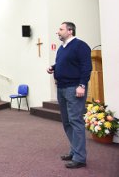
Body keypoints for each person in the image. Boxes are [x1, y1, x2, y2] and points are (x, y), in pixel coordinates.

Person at [47, 22, 92, 169]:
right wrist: (53, 67)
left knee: (75, 121)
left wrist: (82, 85)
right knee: (67, 122)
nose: (57, 32)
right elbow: (64, 64)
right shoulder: (61, 49)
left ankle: (80, 158)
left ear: (70, 31)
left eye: (60, 29)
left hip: (74, 88)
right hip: (61, 88)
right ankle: (74, 151)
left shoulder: (80, 46)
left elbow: (86, 67)